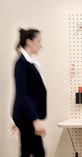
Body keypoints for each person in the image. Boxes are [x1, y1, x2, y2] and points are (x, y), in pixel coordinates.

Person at [12, 28, 47, 157]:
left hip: (26, 116)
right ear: (29, 42)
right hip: (27, 118)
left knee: (28, 151)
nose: (40, 44)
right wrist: (35, 120)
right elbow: (22, 94)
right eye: (38, 41)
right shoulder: (21, 64)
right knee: (37, 152)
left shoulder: (28, 63)